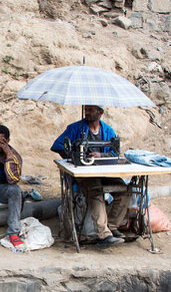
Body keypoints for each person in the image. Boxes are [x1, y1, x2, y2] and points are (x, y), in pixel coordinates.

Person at [51, 105, 131, 249]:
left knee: (124, 190)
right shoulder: (75, 128)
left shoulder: (107, 130)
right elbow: (57, 145)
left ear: (100, 112)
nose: (86, 113)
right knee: (95, 190)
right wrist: (74, 156)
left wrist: (101, 155)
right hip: (83, 173)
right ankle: (104, 235)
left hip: (103, 171)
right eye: (86, 109)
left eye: (90, 110)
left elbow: (114, 153)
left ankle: (111, 226)